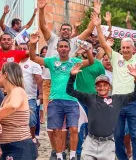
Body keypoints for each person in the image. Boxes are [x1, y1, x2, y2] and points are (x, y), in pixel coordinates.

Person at [38, 0, 96, 160]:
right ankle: (56, 151)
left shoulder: (75, 42)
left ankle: (67, 152)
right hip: (50, 82)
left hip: (69, 86)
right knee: (52, 126)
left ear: (71, 33)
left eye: (68, 30)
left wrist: (95, 17)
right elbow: (42, 26)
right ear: (60, 31)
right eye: (63, 29)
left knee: (70, 125)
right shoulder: (53, 40)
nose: (65, 31)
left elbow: (87, 31)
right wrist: (41, 9)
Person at [94, 12, 136, 160]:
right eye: (123, 47)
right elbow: (103, 43)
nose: (126, 50)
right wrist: (97, 26)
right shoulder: (115, 57)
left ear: (132, 48)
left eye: (128, 47)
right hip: (117, 102)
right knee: (116, 135)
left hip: (133, 103)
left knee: (135, 135)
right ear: (120, 48)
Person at [29, 32, 94, 160]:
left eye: (65, 46)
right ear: (57, 49)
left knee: (74, 129)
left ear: (69, 49)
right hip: (55, 100)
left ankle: (73, 156)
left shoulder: (75, 61)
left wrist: (88, 50)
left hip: (71, 100)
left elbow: (91, 62)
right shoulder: (51, 61)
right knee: (56, 130)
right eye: (61, 46)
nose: (63, 48)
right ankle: (59, 156)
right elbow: (33, 58)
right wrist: (32, 44)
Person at [66, 63, 136, 160]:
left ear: (109, 87)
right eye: (99, 85)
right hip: (90, 142)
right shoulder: (90, 98)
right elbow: (70, 91)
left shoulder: (117, 99)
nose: (102, 88)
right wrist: (72, 76)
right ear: (95, 88)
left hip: (108, 144)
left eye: (105, 85)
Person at [0, 62, 35, 160]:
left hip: (19, 145)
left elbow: (13, 105)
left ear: (6, 74)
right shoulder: (7, 96)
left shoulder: (18, 90)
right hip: (10, 145)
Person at [73, 40, 105, 159]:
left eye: (88, 48)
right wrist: (76, 52)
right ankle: (78, 151)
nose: (86, 49)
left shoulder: (98, 64)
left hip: (93, 99)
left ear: (92, 50)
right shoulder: (77, 62)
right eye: (84, 47)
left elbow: (103, 81)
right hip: (79, 99)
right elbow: (66, 62)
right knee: (79, 127)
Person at [18, 43, 43, 142]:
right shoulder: (14, 62)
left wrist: (41, 94)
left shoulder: (33, 63)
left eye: (25, 48)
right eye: (20, 49)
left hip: (29, 97)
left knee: (31, 119)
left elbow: (39, 80)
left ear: (28, 50)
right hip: (14, 97)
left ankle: (32, 139)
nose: (23, 50)